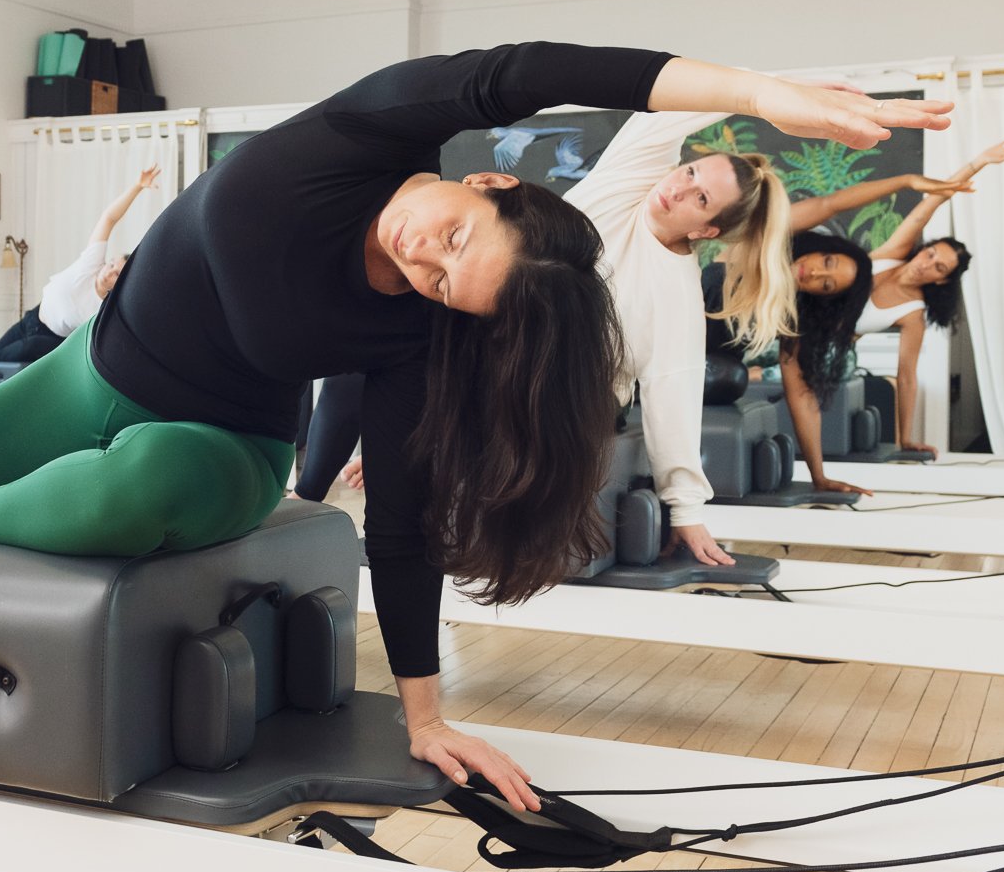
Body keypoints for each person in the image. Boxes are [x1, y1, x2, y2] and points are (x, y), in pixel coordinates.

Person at [0, 43, 948, 809]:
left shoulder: (413, 332)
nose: (425, 269)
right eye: (448, 245)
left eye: (449, 289)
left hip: (212, 448)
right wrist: (750, 94)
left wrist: (424, 715)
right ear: (484, 180)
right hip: (86, 370)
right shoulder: (357, 138)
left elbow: (413, 518)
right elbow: (532, 63)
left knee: (120, 493)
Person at [305, 110, 802, 569]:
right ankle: (304, 504)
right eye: (691, 172)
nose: (677, 188)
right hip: (493, 343)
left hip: (571, 391)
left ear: (709, 228)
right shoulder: (625, 185)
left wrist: (686, 509)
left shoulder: (678, 298)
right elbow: (668, 112)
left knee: (506, 380)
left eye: (700, 199)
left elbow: (673, 400)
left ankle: (406, 463)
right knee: (364, 357)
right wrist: (765, 97)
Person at [786, 139, 1004, 457]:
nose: (926, 263)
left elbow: (907, 376)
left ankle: (764, 372)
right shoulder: (892, 254)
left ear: (941, 279)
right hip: (800, 309)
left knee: (805, 362)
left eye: (938, 267)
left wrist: (906, 439)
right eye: (930, 253)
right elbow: (931, 202)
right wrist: (979, 161)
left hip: (827, 349)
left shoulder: (913, 313)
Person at [0, 167, 162, 414]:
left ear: (121, 283)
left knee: (20, 350)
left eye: (117, 273)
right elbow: (109, 218)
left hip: (51, 343)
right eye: (112, 263)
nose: (110, 270)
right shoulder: (91, 264)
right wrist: (137, 187)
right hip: (33, 319)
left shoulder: (104, 309)